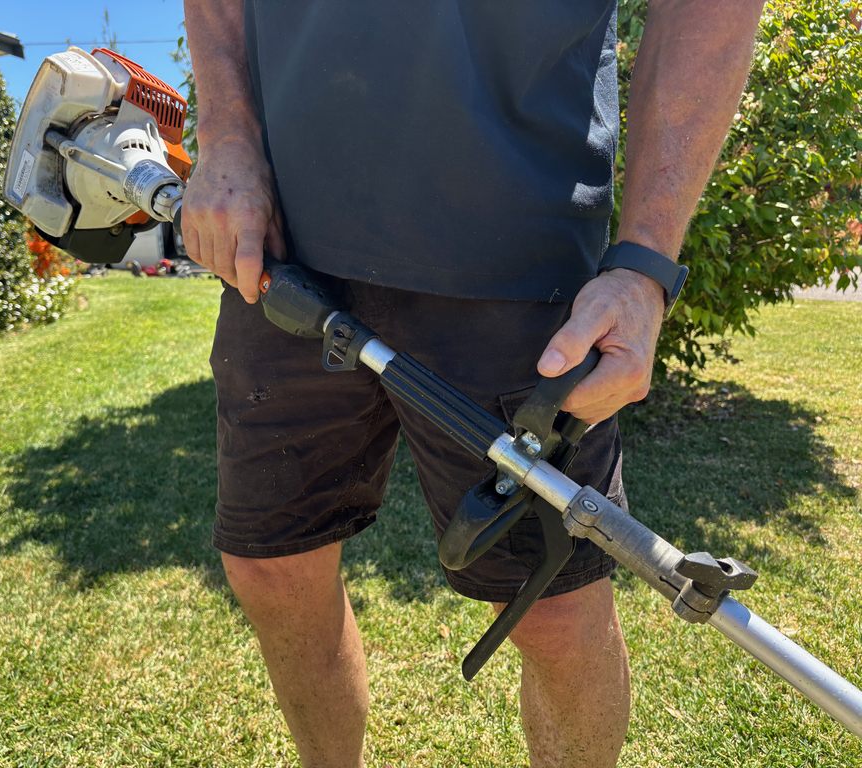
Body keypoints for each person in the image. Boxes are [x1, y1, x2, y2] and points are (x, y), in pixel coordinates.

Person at [181, 2, 766, 766]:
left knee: (554, 614)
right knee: (273, 569)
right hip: (286, 242)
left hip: (517, 246)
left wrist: (646, 264)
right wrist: (226, 134)